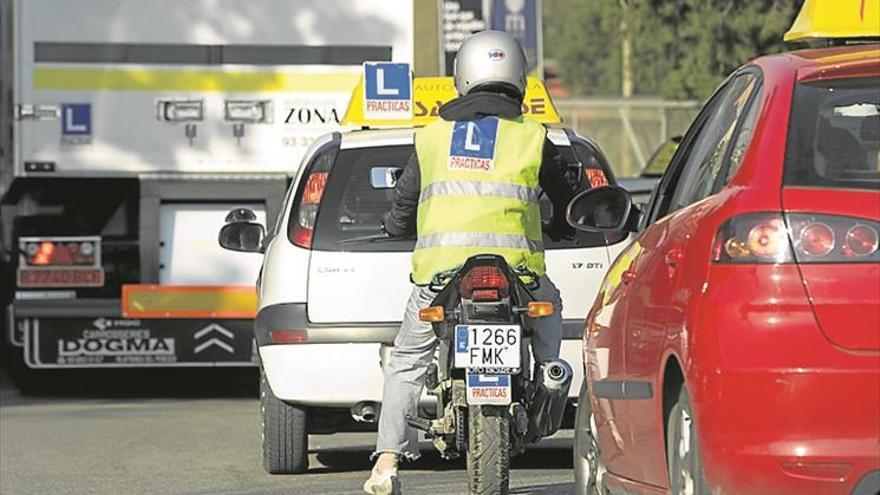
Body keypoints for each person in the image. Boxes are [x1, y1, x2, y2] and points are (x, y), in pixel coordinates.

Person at [363, 30, 576, 495]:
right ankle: (548, 375)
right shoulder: (534, 136)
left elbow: (404, 202)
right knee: (550, 310)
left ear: (463, 77)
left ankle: (385, 462)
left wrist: (396, 227)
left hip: (442, 272)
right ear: (518, 77)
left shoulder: (433, 136)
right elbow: (566, 200)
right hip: (517, 272)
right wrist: (564, 224)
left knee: (406, 361)